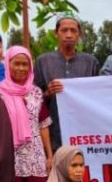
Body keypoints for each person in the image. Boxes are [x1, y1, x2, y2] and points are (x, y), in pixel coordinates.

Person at [0, 46, 53, 182]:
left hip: (36, 157)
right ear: (8, 64)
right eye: (16, 63)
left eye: (25, 64)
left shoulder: (36, 92)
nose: (20, 68)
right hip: (11, 158)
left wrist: (49, 155)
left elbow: (43, 125)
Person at [34, 14, 100, 151]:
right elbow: (33, 98)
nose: (68, 35)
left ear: (79, 34)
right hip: (53, 133)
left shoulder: (90, 62)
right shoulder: (43, 61)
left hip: (84, 132)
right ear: (56, 33)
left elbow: (98, 98)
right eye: (64, 30)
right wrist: (47, 93)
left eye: (73, 30)